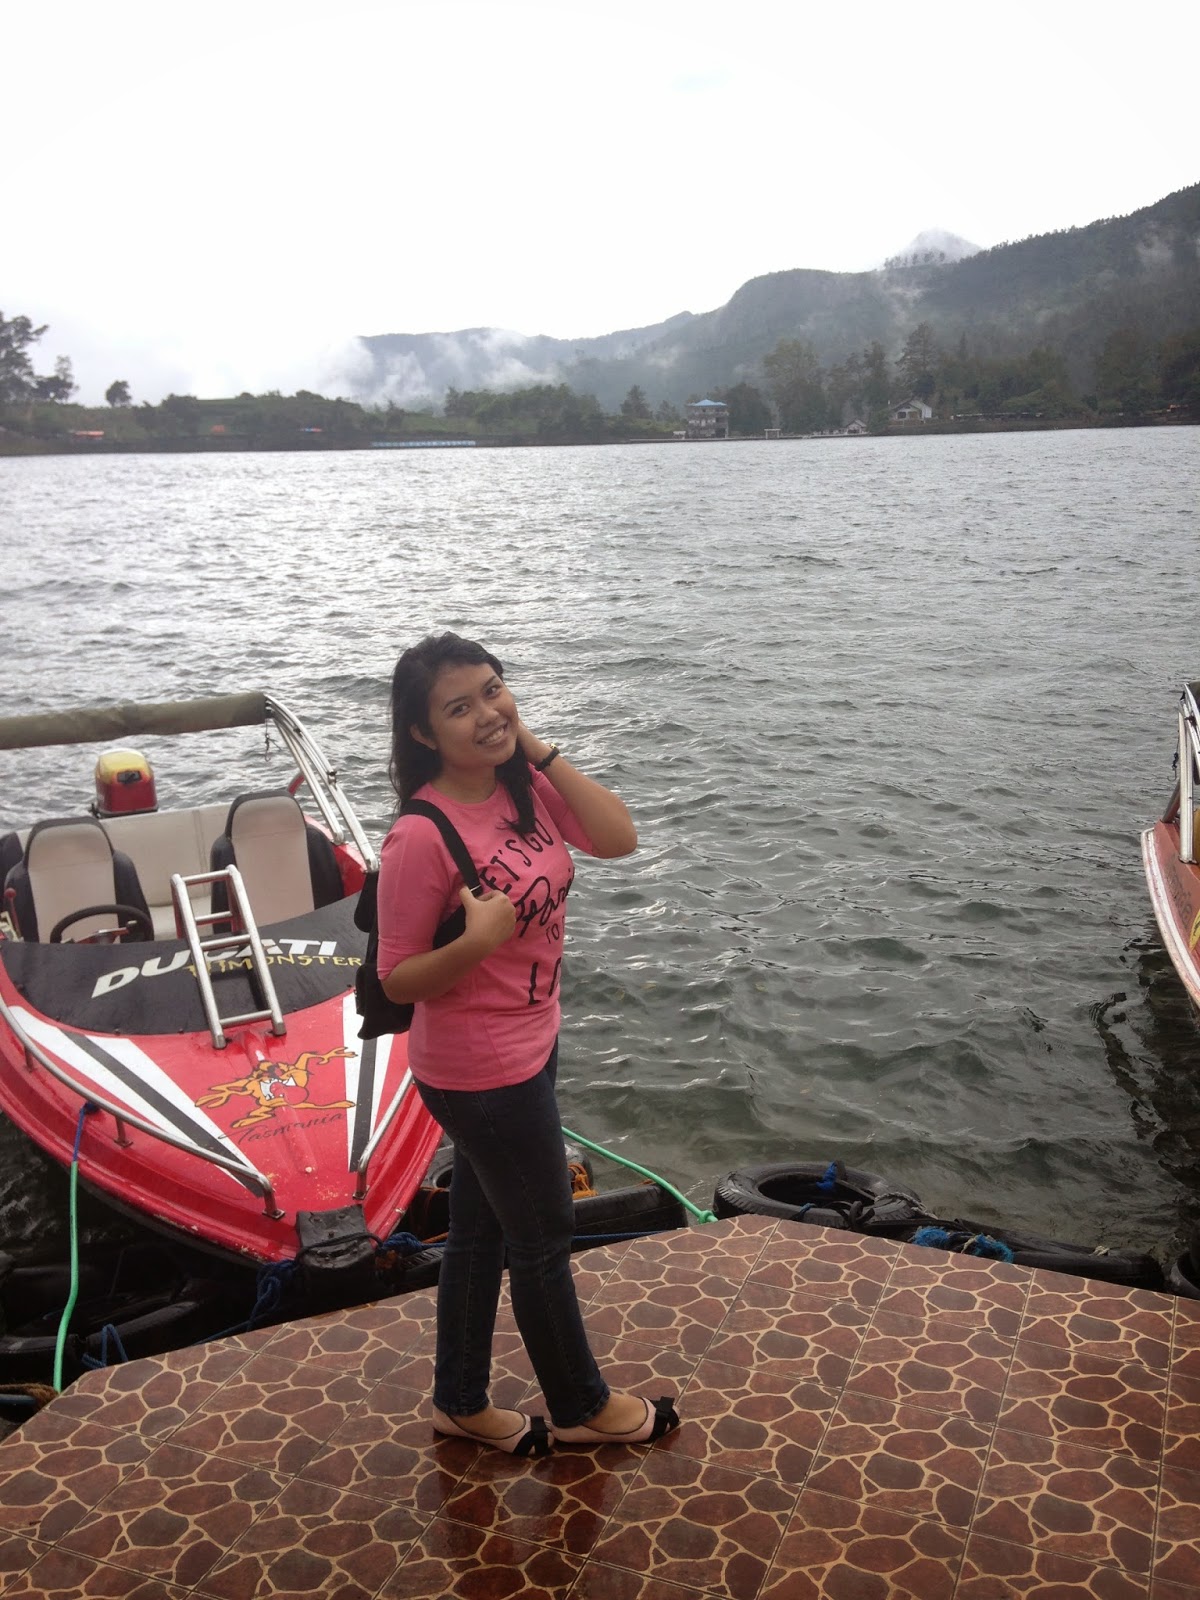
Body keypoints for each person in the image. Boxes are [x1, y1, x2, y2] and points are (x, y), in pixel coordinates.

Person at [376, 632, 679, 1455]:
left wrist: (533, 747)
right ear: (423, 733)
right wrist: (479, 942)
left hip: (534, 1042)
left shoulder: (524, 788)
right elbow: (397, 978)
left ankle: (460, 1402)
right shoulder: (420, 836)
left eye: (494, 689)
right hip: (479, 1071)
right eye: (459, 708)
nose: (487, 713)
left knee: (479, 1234)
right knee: (543, 1239)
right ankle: (581, 1407)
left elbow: (618, 837)